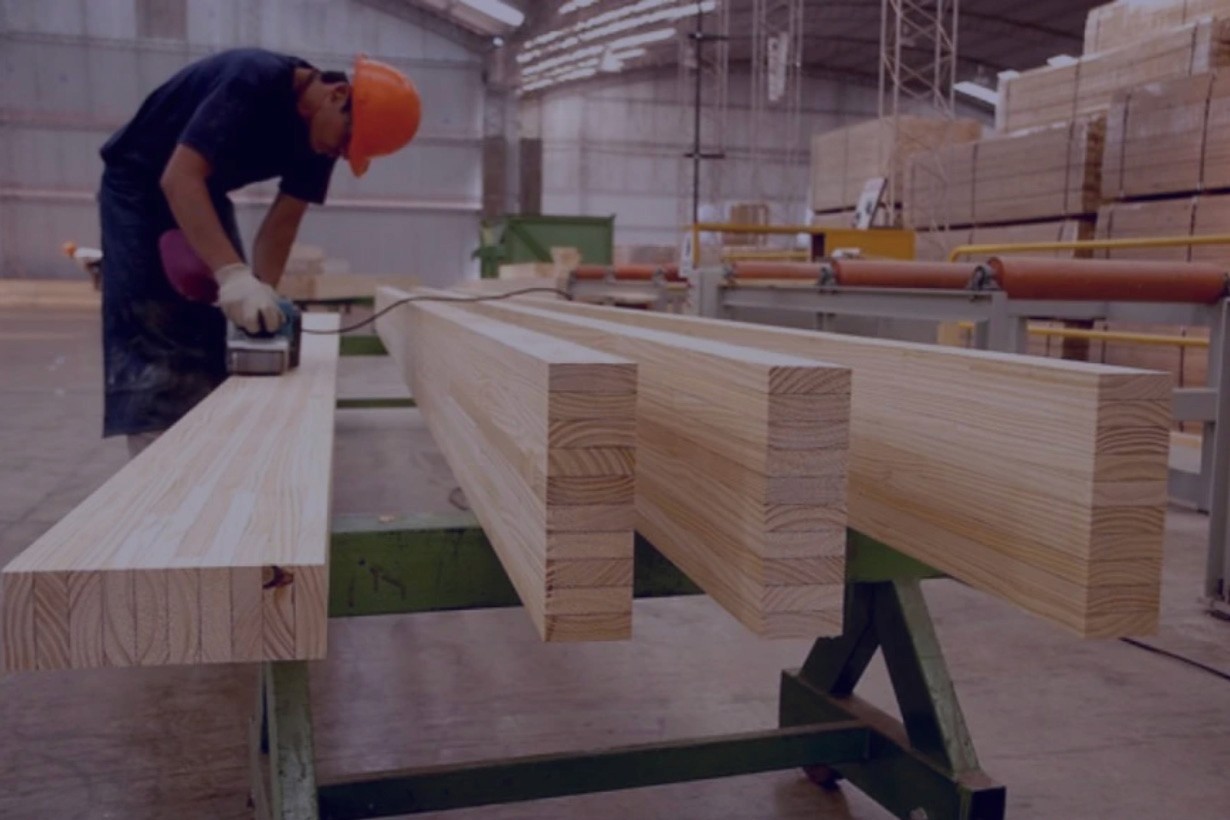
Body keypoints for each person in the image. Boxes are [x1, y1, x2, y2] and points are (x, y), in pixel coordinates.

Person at [96, 48, 420, 456]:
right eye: (345, 141)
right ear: (337, 95)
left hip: (205, 191)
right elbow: (179, 179)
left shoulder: (322, 140)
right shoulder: (252, 79)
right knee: (157, 330)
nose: (339, 152)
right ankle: (156, 462)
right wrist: (233, 274)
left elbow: (282, 223)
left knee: (221, 326)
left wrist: (262, 296)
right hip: (139, 186)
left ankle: (210, 442)